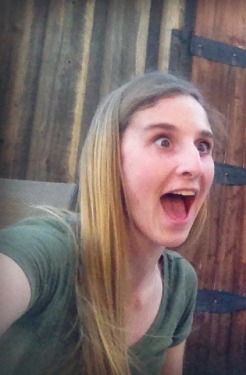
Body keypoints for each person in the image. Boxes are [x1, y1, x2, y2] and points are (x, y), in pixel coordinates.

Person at [0, 71, 222, 374]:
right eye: (163, 141)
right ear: (111, 158)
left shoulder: (180, 283)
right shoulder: (47, 254)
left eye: (203, 146)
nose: (195, 166)